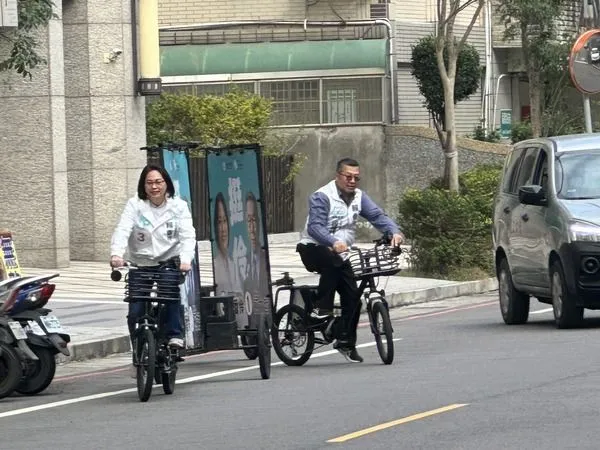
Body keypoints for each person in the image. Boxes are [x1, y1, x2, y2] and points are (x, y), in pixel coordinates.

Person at [297, 158, 405, 363]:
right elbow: (315, 227)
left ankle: (346, 342)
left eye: (356, 177)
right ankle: (322, 308)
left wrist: (394, 232)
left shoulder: (359, 197)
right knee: (331, 260)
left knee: (352, 297)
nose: (352, 181)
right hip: (312, 248)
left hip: (341, 254)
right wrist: (332, 241)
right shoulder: (322, 196)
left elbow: (377, 216)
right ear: (338, 176)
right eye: (348, 176)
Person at [110, 165, 197, 352]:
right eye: (149, 183)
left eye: (158, 182)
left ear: (166, 184)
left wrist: (186, 259)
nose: (154, 187)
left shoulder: (178, 206)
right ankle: (138, 347)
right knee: (136, 309)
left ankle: (175, 336)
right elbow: (123, 229)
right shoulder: (135, 205)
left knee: (170, 296)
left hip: (168, 262)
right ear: (143, 186)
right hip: (140, 263)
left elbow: (187, 236)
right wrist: (116, 254)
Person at [212, 192, 242, 296]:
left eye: (225, 221)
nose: (223, 229)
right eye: (219, 222)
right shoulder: (215, 265)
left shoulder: (234, 263)